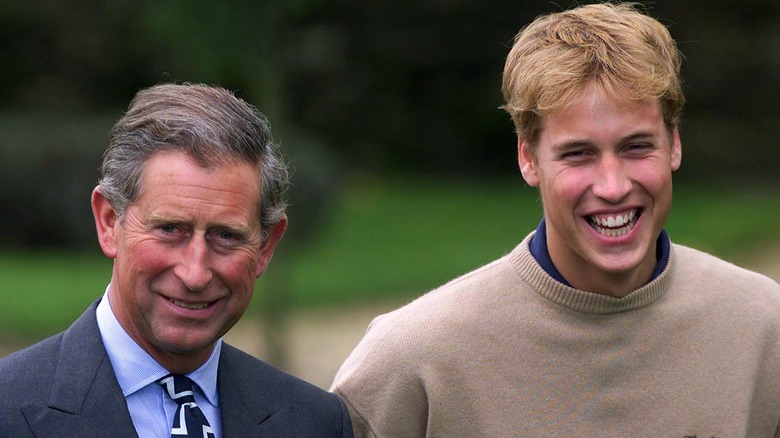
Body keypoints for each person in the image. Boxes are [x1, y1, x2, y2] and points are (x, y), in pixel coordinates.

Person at [331, 3, 780, 436]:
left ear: (674, 145)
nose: (612, 185)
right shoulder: (416, 359)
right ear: (528, 159)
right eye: (578, 154)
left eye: (636, 147)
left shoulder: (764, 328)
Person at [0, 83, 352, 437]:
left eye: (226, 236)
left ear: (265, 247)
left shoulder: (315, 422)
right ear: (109, 222)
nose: (195, 273)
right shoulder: (9, 409)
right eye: (170, 229)